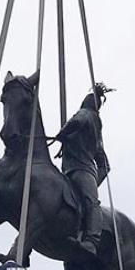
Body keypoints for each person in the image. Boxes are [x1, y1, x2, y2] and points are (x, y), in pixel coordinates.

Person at [53, 84, 111, 256]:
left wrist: (62, 133)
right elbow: (105, 166)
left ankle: (92, 241)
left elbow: (77, 121)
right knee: (89, 203)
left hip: (76, 172)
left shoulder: (87, 114)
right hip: (82, 174)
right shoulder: (96, 137)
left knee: (93, 204)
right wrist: (94, 181)